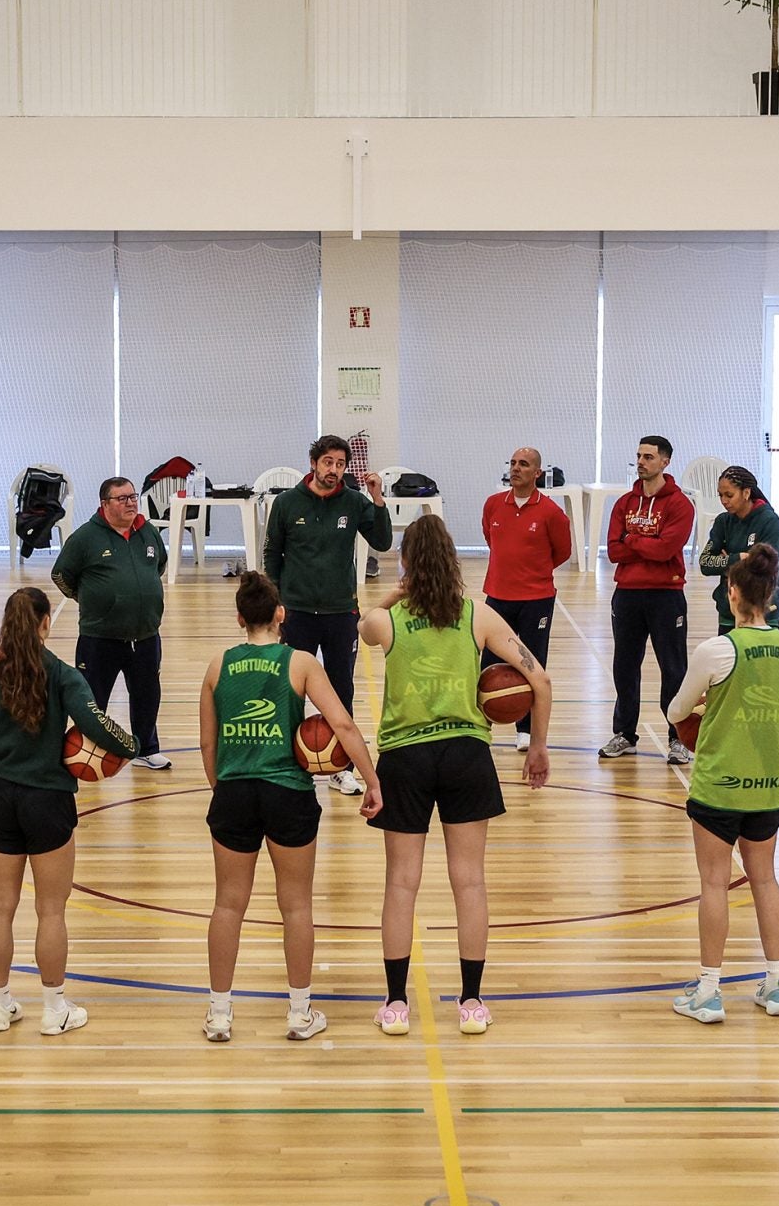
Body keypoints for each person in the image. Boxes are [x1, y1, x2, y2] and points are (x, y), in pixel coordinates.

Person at [360, 516, 552, 1037]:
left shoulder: (390, 622)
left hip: (405, 757)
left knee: (401, 884)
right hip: (467, 754)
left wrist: (398, 592)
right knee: (469, 882)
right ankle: (471, 1003)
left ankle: (397, 1004)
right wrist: (536, 746)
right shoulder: (477, 615)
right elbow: (538, 676)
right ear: (453, 559)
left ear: (406, 563)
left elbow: (363, 621)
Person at [0, 588, 139, 1036]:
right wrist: (131, 744)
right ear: (46, 623)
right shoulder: (63, 674)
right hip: (48, 801)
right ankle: (54, 1008)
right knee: (51, 910)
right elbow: (94, 724)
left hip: (2, 799)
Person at [199, 572, 382, 1043]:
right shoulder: (299, 663)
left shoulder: (218, 664)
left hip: (235, 792)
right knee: (296, 906)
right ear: (282, 614)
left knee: (227, 905)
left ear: (240, 617)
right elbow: (339, 722)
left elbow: (207, 742)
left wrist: (225, 786)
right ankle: (299, 1014)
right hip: (288, 793)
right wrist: (371, 778)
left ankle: (220, 1015)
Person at [663, 546, 779, 1024]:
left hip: (720, 785)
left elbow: (676, 711)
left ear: (731, 593)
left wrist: (701, 711)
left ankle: (709, 990)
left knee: (714, 884)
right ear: (772, 597)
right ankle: (778, 985)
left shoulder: (716, 650)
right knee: (765, 879)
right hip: (768, 785)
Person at [263, 434, 393, 796]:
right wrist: (275, 603)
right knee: (289, 690)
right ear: (314, 463)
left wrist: (378, 499)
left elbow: (382, 542)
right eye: (328, 463)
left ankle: (342, 767)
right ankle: (286, 762)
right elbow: (272, 555)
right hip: (297, 612)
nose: (334, 470)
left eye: (340, 464)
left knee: (341, 689)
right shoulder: (287, 503)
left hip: (340, 613)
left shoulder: (353, 502)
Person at [52, 476, 173, 771]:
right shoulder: (85, 538)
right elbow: (61, 576)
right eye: (123, 498)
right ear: (104, 504)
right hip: (99, 637)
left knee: (147, 693)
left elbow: (159, 565)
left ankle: (146, 748)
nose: (131, 502)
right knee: (91, 699)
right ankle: (88, 750)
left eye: (133, 497)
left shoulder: (148, 534)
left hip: (145, 635)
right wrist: (94, 600)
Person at [602, 435, 695, 763]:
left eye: (649, 457)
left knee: (674, 668)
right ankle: (624, 734)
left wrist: (633, 539)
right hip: (626, 594)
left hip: (666, 595)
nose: (641, 462)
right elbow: (614, 550)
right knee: (625, 666)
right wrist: (646, 540)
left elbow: (666, 549)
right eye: (639, 456)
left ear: (665, 462)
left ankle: (679, 738)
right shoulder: (624, 504)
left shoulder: (680, 504)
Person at [480, 446, 572, 754]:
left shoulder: (551, 513)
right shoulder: (493, 505)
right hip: (497, 596)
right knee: (488, 662)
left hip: (536, 599)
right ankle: (482, 724)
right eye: (513, 463)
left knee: (532, 662)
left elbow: (562, 552)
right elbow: (490, 540)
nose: (516, 468)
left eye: (524, 464)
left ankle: (526, 729)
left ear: (537, 473)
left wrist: (533, 574)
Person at [696, 465, 779, 635]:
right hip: (729, 610)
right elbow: (705, 564)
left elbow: (765, 566)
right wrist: (739, 558)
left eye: (729, 495)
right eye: (720, 495)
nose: (723, 501)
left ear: (746, 493)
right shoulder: (723, 522)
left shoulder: (769, 521)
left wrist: (728, 563)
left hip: (764, 610)